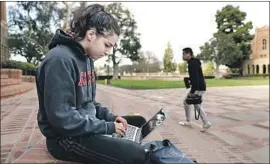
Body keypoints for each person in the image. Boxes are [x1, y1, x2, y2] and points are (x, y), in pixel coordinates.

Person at [35, 4, 147, 164]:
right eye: (107, 45)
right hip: (65, 139)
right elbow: (63, 119)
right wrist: (107, 127)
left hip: (88, 126)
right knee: (137, 155)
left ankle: (120, 139)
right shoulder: (58, 60)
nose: (108, 52)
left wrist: (112, 118)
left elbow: (89, 103)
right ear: (91, 34)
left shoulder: (87, 59)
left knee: (139, 122)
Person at [179, 47, 211, 132]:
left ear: (188, 54)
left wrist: (192, 92)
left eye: (184, 54)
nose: (182, 56)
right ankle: (190, 121)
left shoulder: (192, 64)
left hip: (198, 88)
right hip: (200, 87)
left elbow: (196, 79)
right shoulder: (194, 62)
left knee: (193, 104)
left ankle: (205, 122)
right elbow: (195, 77)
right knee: (190, 103)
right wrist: (189, 79)